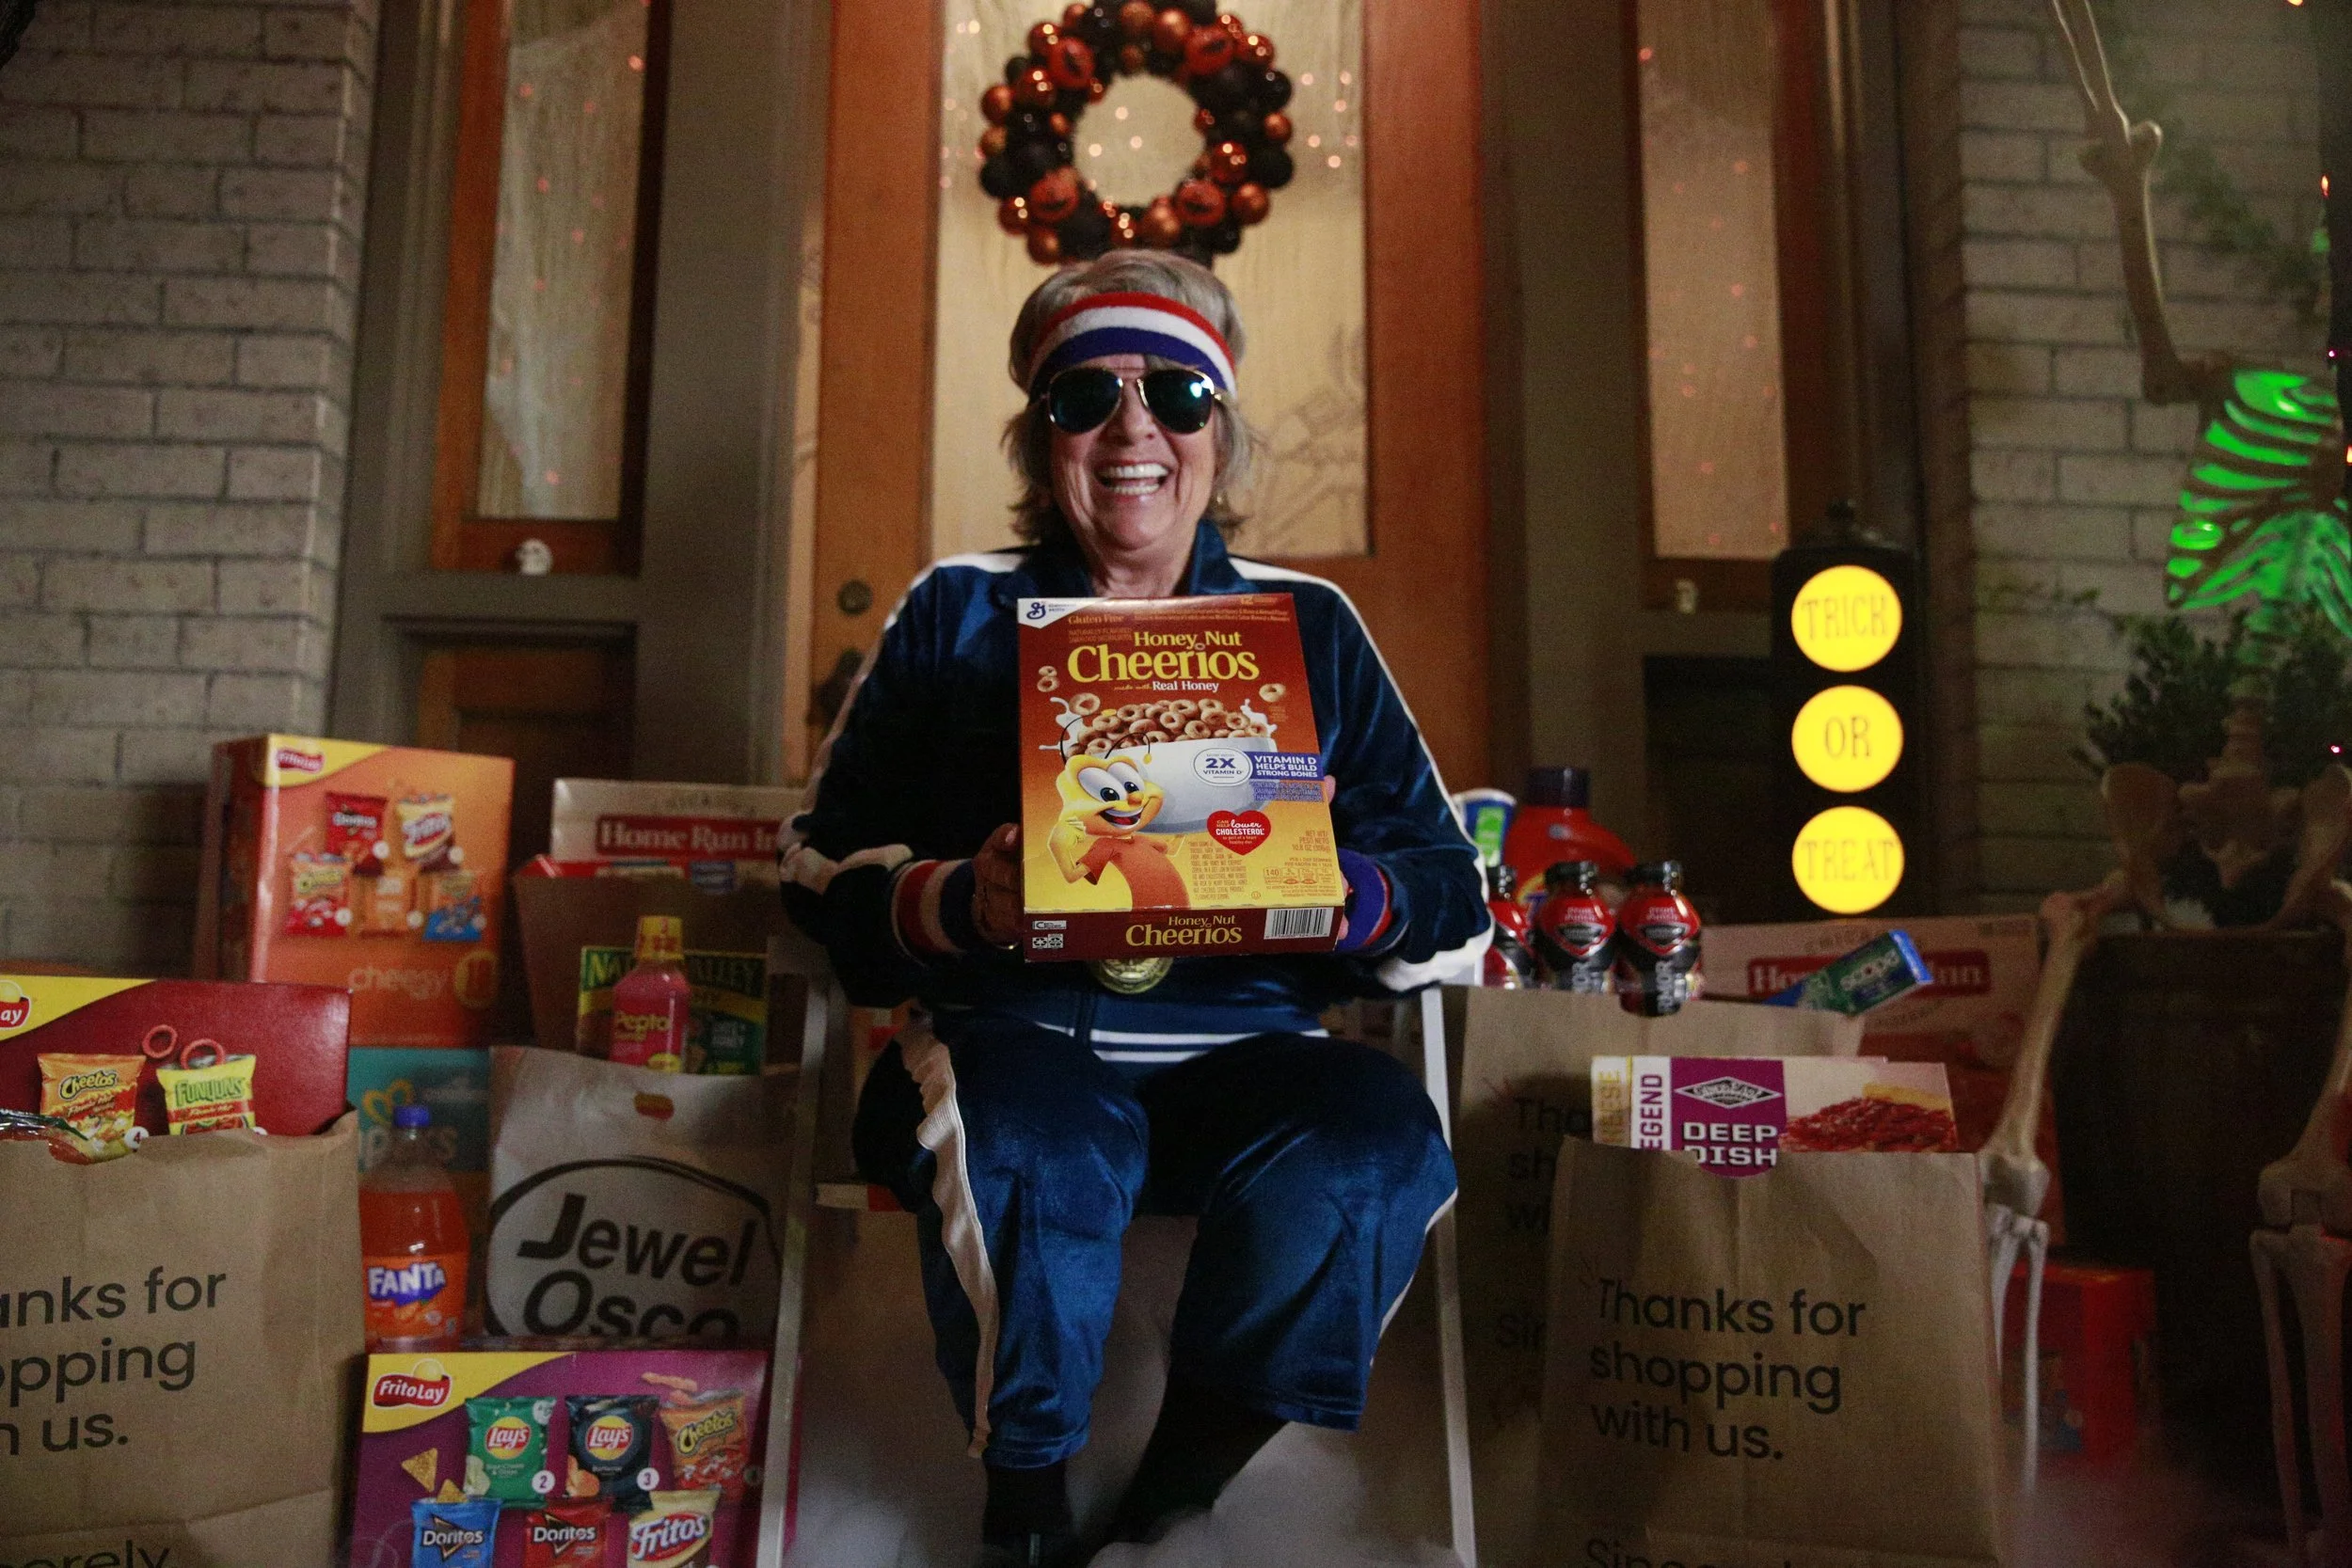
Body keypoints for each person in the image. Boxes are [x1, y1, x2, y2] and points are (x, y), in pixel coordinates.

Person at [783, 251, 1488, 1567]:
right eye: (1083, 399)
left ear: (1220, 429)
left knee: (1379, 1143)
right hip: (1012, 1050)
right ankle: (1032, 1511)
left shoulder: (1307, 623)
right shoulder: (956, 612)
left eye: (1175, 391)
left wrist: (1348, 894)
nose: (1133, 430)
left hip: (1248, 1067)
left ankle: (1170, 1499)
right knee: (1029, 1134)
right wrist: (962, 901)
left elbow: (1455, 891)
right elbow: (814, 871)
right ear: (1036, 434)